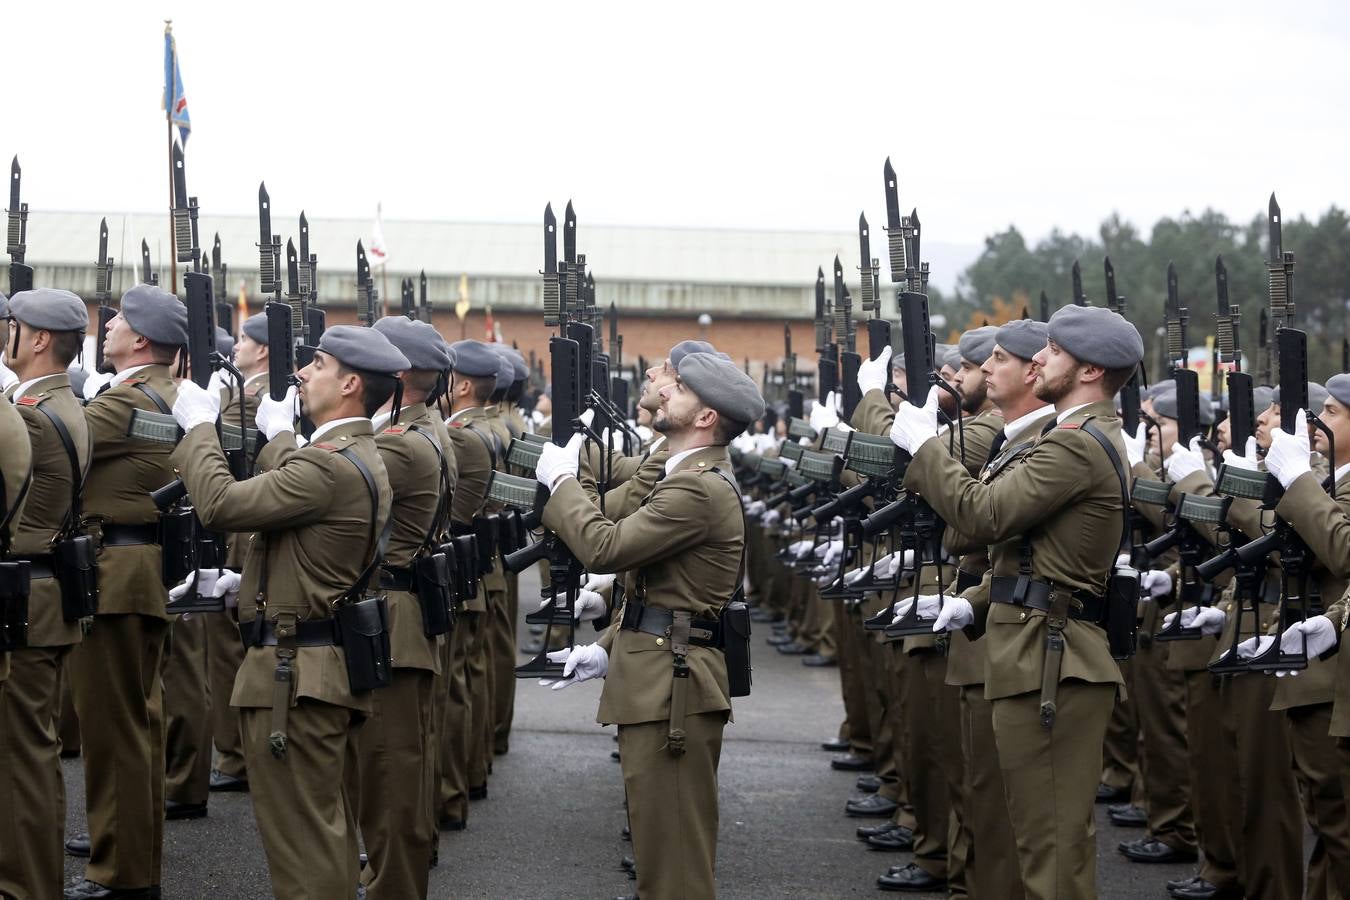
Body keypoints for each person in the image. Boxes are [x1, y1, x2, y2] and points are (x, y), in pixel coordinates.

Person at [887, 304, 1141, 900]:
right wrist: (974, 603)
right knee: (1037, 839)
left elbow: (986, 514)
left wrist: (927, 448)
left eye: (1052, 352)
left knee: (1050, 852)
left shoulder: (1077, 445)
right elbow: (1031, 556)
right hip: (1034, 652)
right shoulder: (1069, 436)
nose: (1039, 362)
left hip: (1050, 662)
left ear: (1089, 371)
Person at [168, 325, 407, 900]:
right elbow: (308, 550)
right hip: (313, 666)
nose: (301, 373)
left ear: (350, 383)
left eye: (317, 364)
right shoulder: (353, 454)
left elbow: (221, 503)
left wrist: (200, 425)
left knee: (303, 846)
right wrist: (245, 586)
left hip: (293, 680)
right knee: (320, 834)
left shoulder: (326, 465)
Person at [532, 350, 764, 900]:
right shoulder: (685, 475)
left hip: (672, 692)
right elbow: (665, 590)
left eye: (679, 389)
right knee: (661, 859)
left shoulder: (696, 488)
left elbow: (605, 546)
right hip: (660, 676)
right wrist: (608, 646)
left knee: (674, 871)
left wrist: (564, 482)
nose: (665, 393)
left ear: (706, 417)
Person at [66, 285, 186, 900]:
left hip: (116, 572)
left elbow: (52, 444)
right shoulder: (151, 393)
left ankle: (121, 874)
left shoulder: (126, 401)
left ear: (139, 340)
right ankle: (134, 864)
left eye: (116, 320)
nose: (105, 325)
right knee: (135, 725)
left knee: (114, 730)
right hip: (133, 570)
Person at [355, 315, 453, 900]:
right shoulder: (425, 431)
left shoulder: (401, 446)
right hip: (406, 608)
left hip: (393, 613)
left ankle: (393, 886)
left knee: (389, 770)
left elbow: (328, 474)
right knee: (400, 763)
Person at [0, 289, 88, 900]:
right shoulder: (57, 401)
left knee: (23, 759)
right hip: (42, 593)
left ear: (35, 341)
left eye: (12, 325)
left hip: (24, 599)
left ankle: (29, 886)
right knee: (32, 753)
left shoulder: (29, 414)